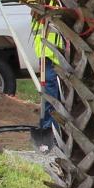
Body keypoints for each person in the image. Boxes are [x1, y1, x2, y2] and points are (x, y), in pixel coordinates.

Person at [31, 9, 62, 137]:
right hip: (49, 57)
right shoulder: (44, 7)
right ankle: (49, 128)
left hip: (52, 57)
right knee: (50, 95)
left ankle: (52, 128)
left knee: (52, 95)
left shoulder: (47, 7)